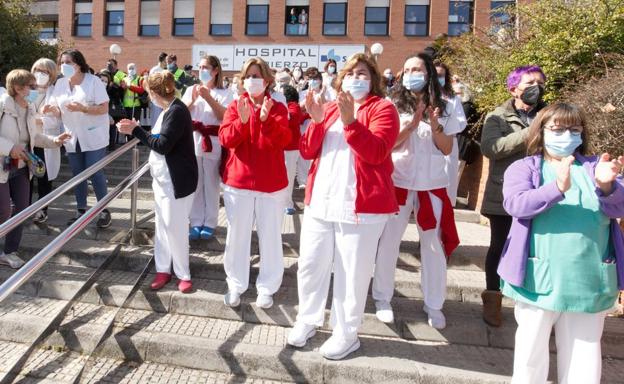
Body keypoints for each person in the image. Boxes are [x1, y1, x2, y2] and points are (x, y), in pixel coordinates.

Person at [498, 103, 624, 384]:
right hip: (538, 279)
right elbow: (515, 204)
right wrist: (556, 188)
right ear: (540, 132)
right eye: (557, 128)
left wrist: (608, 187)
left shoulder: (596, 168)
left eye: (574, 129)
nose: (566, 134)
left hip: (589, 279)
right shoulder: (525, 167)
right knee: (530, 355)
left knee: (584, 358)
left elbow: (620, 207)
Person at [287, 53, 400, 360]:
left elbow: (377, 152)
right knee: (310, 265)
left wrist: (351, 121)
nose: (355, 78)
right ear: (340, 79)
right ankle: (307, 319)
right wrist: (316, 120)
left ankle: (346, 333)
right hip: (321, 201)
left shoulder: (384, 109)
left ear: (373, 79)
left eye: (362, 73)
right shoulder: (330, 108)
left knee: (353, 272)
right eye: (350, 73)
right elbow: (308, 151)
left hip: (361, 207)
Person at [372, 53, 461, 329]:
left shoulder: (448, 103)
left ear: (429, 73)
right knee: (388, 242)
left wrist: (435, 126)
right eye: (407, 68)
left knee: (433, 246)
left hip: (431, 184)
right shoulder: (391, 104)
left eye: (418, 69)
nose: (412, 73)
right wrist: (410, 127)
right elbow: (387, 145)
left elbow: (447, 148)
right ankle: (382, 298)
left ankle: (434, 304)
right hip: (398, 181)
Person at [219, 57, 290, 310]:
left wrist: (265, 119)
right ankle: (236, 284)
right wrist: (243, 120)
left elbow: (283, 140)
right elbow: (226, 139)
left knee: (270, 237)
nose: (252, 80)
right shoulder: (235, 106)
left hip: (271, 185)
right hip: (238, 183)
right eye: (248, 75)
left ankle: (267, 287)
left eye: (257, 75)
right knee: (236, 236)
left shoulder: (278, 107)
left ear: (267, 80)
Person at [117, 72, 198, 293]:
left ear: (154, 92)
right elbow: (156, 141)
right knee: (162, 226)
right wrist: (138, 130)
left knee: (176, 227)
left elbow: (162, 145)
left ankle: (183, 273)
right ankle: (163, 268)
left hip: (177, 181)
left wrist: (136, 130)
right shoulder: (167, 111)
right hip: (163, 180)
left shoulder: (177, 111)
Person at [480, 65, 547, 327]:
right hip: (503, 194)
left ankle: (531, 303)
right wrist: (532, 132)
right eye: (530, 82)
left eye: (540, 82)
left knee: (535, 248)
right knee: (500, 246)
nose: (536, 87)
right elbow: (492, 148)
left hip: (540, 192)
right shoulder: (497, 117)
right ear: (514, 88)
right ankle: (493, 299)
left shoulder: (549, 114)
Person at [0, 69, 70, 268]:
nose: (35, 90)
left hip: (22, 166)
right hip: (2, 166)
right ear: (17, 88)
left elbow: (35, 137)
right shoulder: (2, 105)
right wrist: (9, 148)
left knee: (22, 210)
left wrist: (55, 140)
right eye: (31, 86)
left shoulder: (30, 108)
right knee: (4, 211)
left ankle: (9, 252)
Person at [51, 49, 112, 228]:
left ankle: (103, 210)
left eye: (68, 62)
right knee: (77, 174)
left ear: (79, 64)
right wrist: (51, 110)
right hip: (72, 136)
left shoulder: (93, 81)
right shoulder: (60, 84)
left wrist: (83, 108)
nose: (64, 66)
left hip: (94, 134)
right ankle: (81, 209)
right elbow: (57, 108)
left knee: (94, 171)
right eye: (62, 62)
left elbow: (104, 109)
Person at [183, 55, 233, 240]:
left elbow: (226, 116)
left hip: (213, 141)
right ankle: (195, 221)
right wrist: (193, 99)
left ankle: (210, 221)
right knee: (195, 183)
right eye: (200, 67)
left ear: (215, 70)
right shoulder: (190, 90)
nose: (202, 71)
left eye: (206, 67)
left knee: (211, 184)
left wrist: (209, 98)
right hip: (193, 139)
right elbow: (180, 113)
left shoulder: (227, 93)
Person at [30, 58, 63, 223]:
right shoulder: (27, 89)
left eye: (44, 72)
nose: (40, 74)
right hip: (27, 141)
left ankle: (42, 210)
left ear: (51, 75)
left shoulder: (56, 92)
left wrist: (37, 119)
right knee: (25, 177)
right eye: (37, 70)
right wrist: (39, 117)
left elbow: (56, 121)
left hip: (45, 141)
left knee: (43, 177)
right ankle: (24, 209)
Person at [435, 61, 467, 206]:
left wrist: (443, 129)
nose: (437, 78)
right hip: (425, 143)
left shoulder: (452, 99)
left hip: (447, 143)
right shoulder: (419, 97)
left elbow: (461, 122)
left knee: (445, 188)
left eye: (440, 75)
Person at [282, 85, 304, 215]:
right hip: (279, 147)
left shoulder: (293, 107)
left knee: (289, 177)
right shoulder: (282, 106)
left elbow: (290, 119)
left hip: (290, 148)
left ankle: (288, 204)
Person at [98, 70, 124, 150]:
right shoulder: (92, 91)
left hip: (107, 117)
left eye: (106, 81)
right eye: (102, 80)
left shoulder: (107, 91)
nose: (104, 83)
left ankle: (111, 147)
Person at [149, 52, 168, 128]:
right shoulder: (154, 70)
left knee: (163, 118)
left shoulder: (166, 70)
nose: (167, 63)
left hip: (164, 97)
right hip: (155, 97)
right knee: (156, 119)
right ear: (162, 60)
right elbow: (150, 84)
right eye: (166, 61)